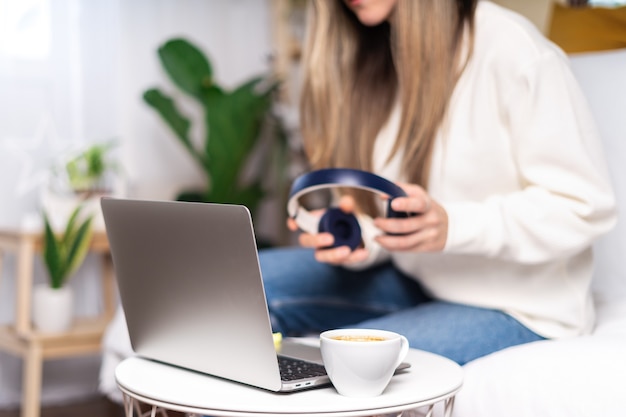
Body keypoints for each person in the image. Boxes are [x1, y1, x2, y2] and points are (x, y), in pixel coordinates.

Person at [259, 0, 617, 365]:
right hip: (416, 280)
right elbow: (396, 213)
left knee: (354, 366)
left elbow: (583, 207)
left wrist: (454, 227)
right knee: (236, 291)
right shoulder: (371, 53)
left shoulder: (514, 50)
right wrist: (360, 239)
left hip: (519, 307)